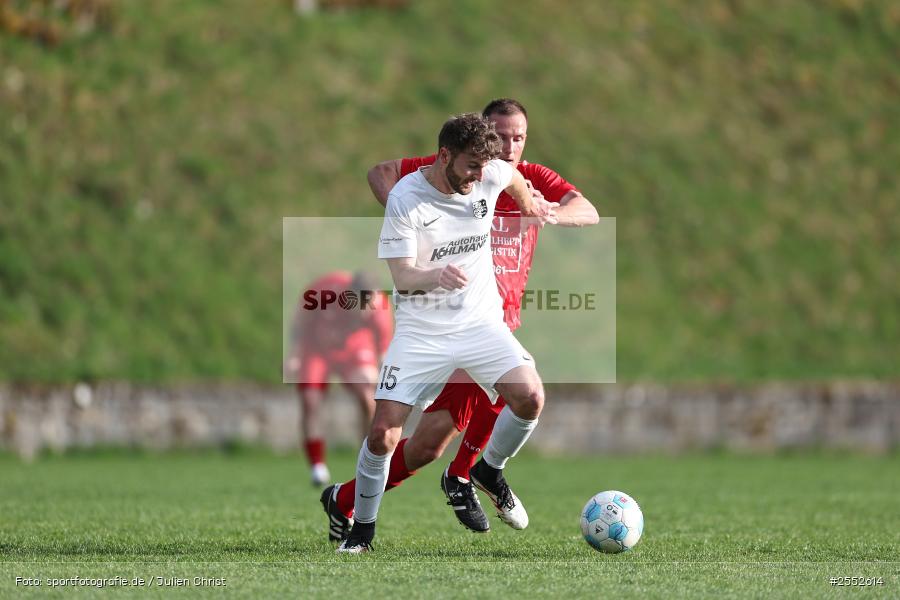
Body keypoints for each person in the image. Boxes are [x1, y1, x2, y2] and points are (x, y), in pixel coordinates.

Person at [320, 99, 598, 542]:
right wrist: (430, 260)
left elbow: (539, 190)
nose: (507, 150)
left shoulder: (494, 170)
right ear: (448, 155)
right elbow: (403, 273)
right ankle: (359, 522)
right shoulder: (413, 191)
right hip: (423, 332)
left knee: (527, 396)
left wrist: (536, 208)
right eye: (498, 139)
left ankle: (481, 470)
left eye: (518, 138)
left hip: (485, 325)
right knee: (392, 438)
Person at [286, 270, 392, 486]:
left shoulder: (380, 309)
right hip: (316, 346)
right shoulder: (325, 290)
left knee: (367, 399)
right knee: (310, 400)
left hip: (354, 349)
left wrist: (379, 375)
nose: (364, 313)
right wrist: (294, 355)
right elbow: (300, 320)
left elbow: (383, 353)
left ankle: (367, 464)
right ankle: (317, 466)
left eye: (368, 306)